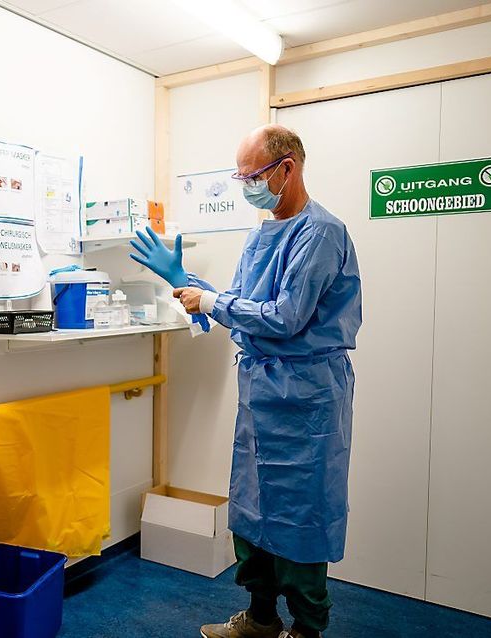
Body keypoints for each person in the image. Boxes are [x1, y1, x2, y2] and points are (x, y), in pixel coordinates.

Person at [130, 125, 362, 638]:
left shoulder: (321, 233)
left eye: (252, 175)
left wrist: (213, 303)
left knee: (301, 519)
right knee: (253, 512)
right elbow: (244, 305)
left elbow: (284, 318)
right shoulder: (261, 235)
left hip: (307, 398)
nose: (247, 187)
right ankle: (260, 619)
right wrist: (186, 283)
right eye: (240, 177)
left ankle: (305, 629)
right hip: (261, 394)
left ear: (287, 169)